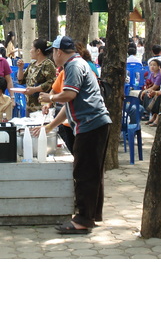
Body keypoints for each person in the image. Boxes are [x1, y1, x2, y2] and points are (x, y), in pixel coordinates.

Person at [38, 35, 111, 234]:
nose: (52, 56)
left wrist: (50, 97)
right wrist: (50, 126)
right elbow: (69, 105)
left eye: (52, 52)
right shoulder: (77, 64)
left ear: (59, 52)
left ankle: (82, 220)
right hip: (93, 125)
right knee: (92, 172)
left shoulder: (73, 66)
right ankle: (90, 216)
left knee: (84, 173)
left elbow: (68, 95)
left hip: (91, 125)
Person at [16, 38, 57, 114]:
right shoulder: (32, 64)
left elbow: (51, 83)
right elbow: (21, 80)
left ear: (38, 51)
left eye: (32, 48)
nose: (30, 51)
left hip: (42, 107)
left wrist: (34, 89)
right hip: (30, 106)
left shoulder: (48, 64)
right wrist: (20, 68)